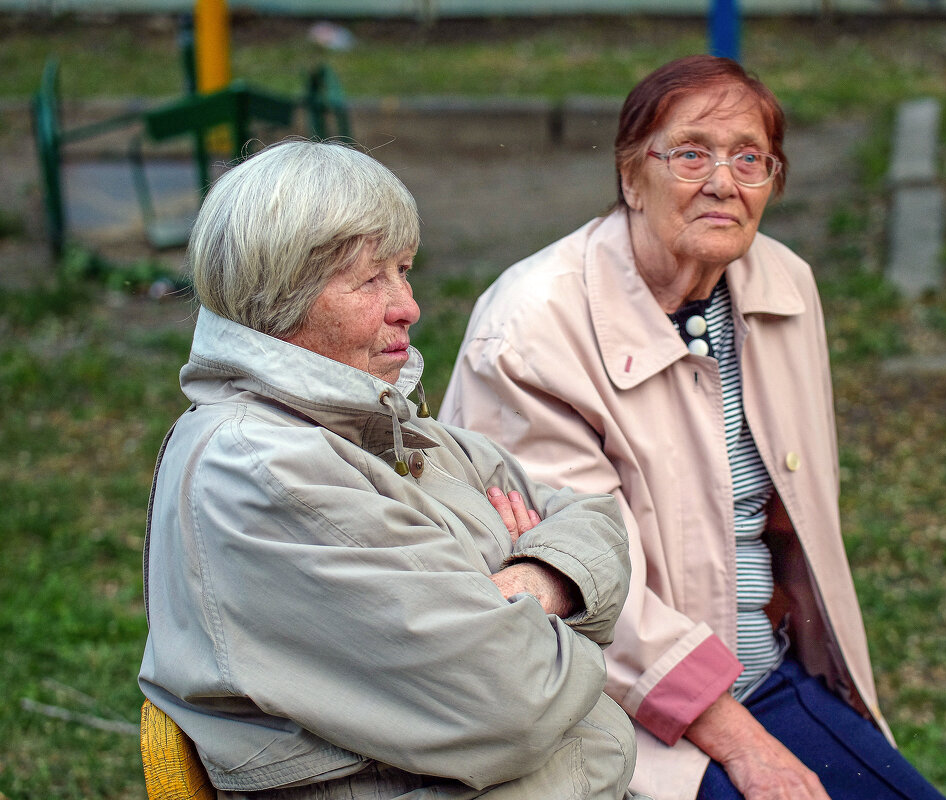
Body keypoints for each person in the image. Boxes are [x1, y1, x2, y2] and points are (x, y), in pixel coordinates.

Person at [441, 56, 946, 800]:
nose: (723, 182)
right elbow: (582, 587)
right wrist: (747, 747)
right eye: (690, 153)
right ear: (629, 175)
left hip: (765, 675)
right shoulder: (532, 328)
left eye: (750, 158)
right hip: (605, 716)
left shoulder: (782, 288)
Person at [138, 139, 648, 800]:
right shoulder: (261, 468)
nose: (408, 304)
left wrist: (534, 582)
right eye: (369, 279)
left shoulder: (378, 421)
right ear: (281, 294)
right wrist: (547, 605)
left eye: (404, 270)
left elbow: (595, 518)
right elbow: (509, 696)